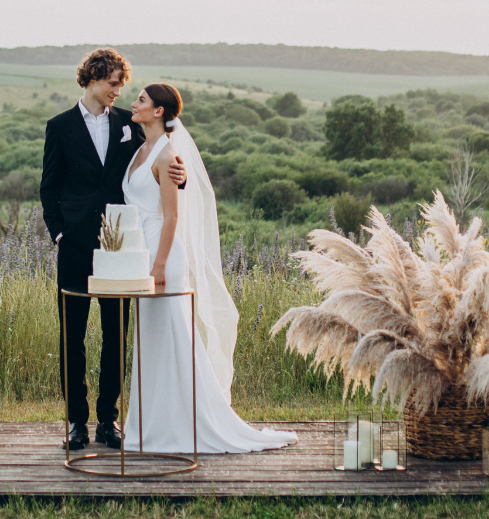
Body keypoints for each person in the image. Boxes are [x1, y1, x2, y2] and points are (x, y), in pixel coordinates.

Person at [121, 83, 296, 454]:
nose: (133, 104)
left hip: (163, 255)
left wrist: (159, 266)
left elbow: (172, 217)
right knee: (151, 340)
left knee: (174, 338)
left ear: (159, 111)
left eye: (141, 100)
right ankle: (151, 426)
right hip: (142, 250)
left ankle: (187, 424)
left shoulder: (167, 156)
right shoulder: (141, 149)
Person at [39, 49, 185, 451]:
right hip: (75, 246)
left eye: (122, 84)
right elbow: (48, 187)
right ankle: (75, 422)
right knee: (72, 335)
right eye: (113, 83)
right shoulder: (60, 126)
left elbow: (157, 155)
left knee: (114, 335)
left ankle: (108, 420)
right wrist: (59, 234)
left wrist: (182, 175)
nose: (119, 91)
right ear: (91, 80)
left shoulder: (128, 123)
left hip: (122, 245)